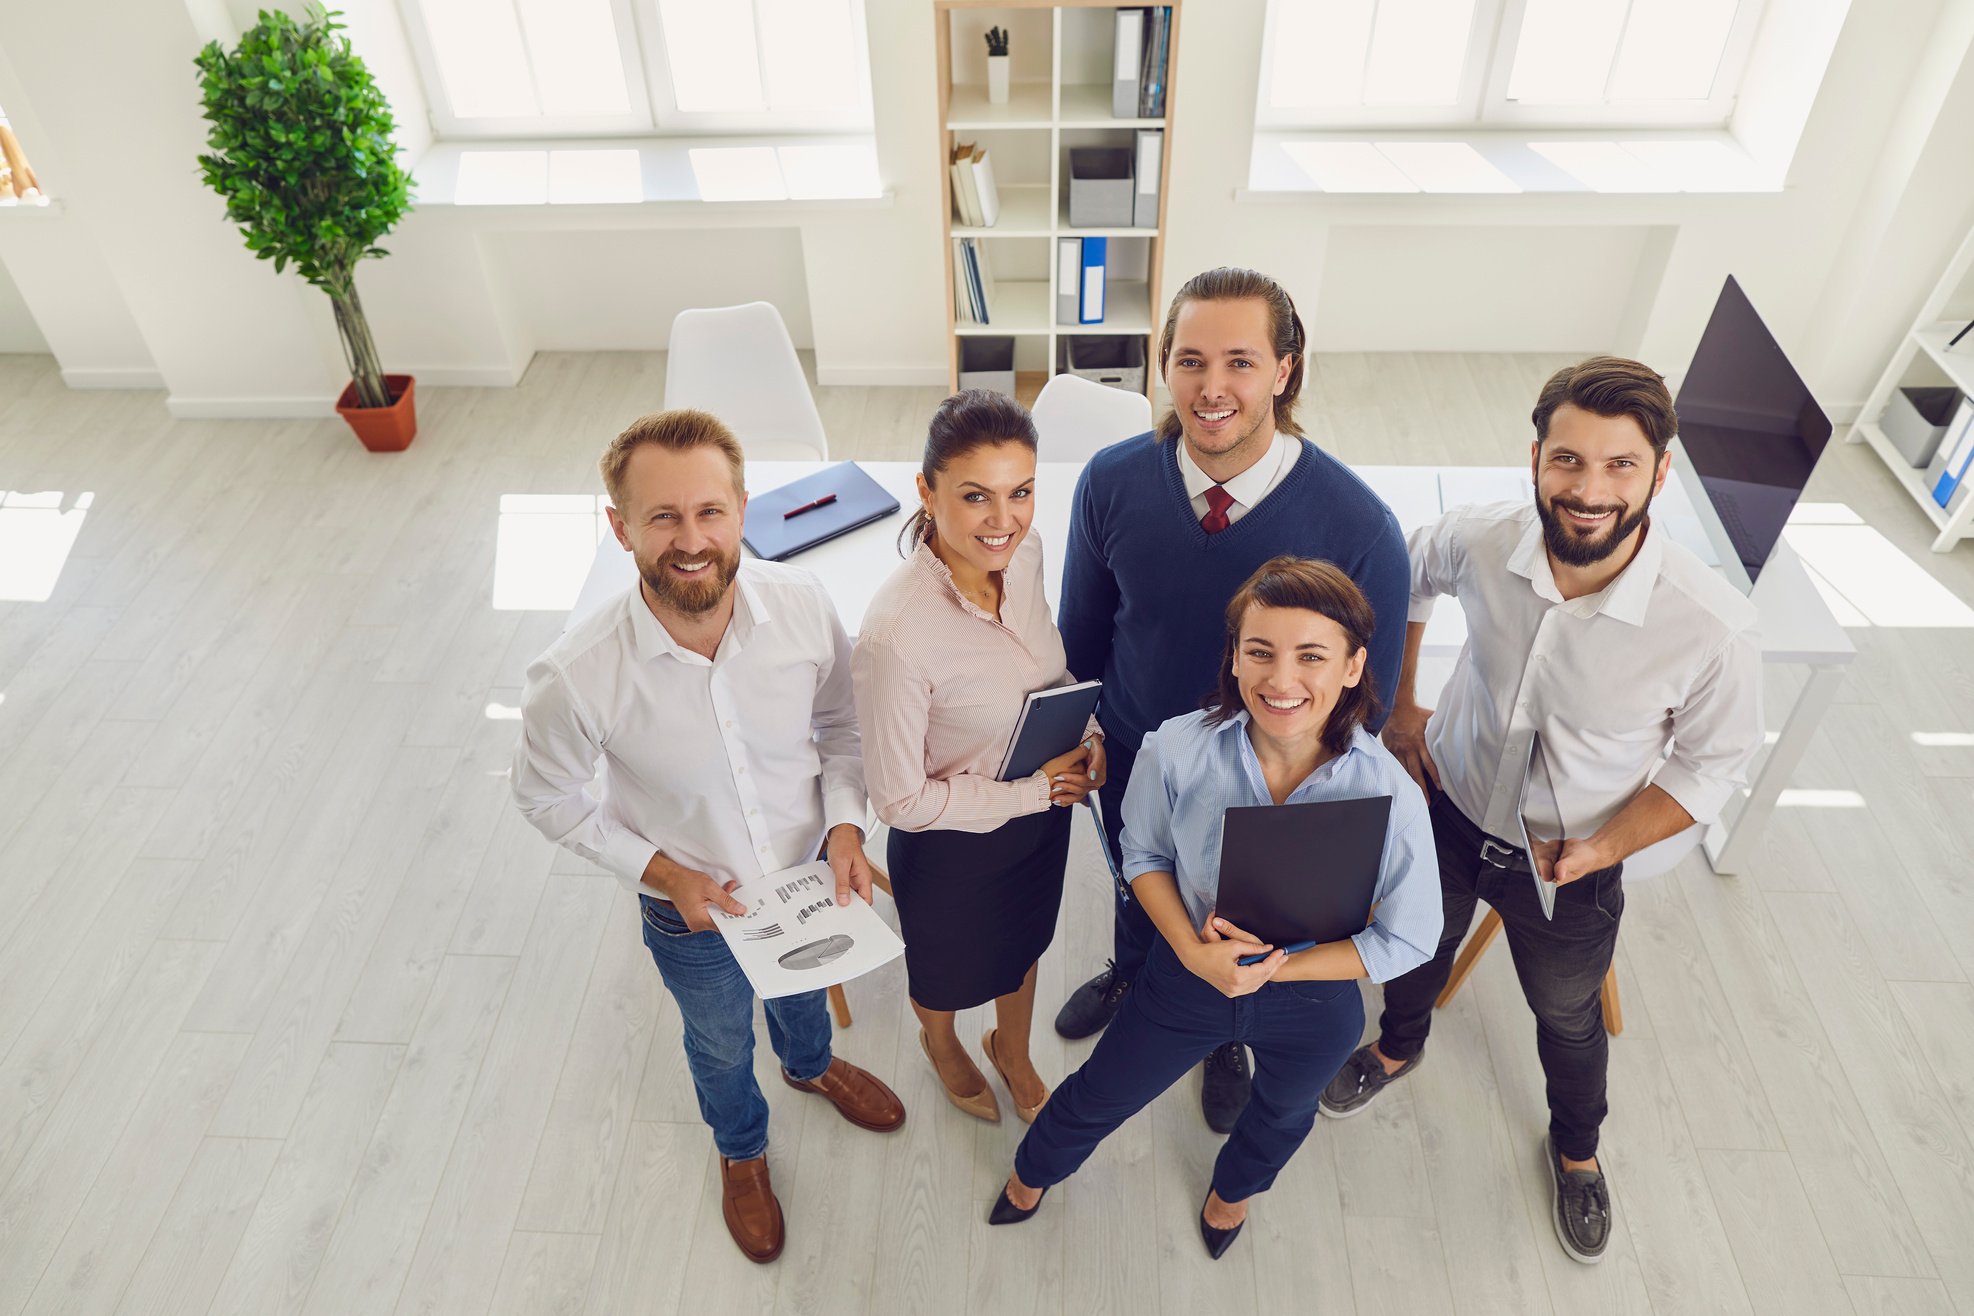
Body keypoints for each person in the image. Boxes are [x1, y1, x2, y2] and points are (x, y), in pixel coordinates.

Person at [1319, 357, 1763, 1264]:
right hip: (1442, 806)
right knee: (1415, 949)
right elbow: (1408, 568)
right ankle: (1399, 1047)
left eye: (1620, 466)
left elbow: (1712, 764)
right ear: (1535, 460)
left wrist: (1607, 846)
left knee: (1566, 1018)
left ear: (1660, 474)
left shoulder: (1709, 626)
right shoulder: (1486, 539)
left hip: (1570, 861)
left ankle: (1576, 1149)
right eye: (1569, 461)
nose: (1589, 489)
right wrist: (1401, 710)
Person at [510, 409, 906, 1265]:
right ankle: (741, 1148)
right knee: (719, 1039)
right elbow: (546, 797)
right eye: (662, 518)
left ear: (742, 509)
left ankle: (810, 1066)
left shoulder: (802, 608)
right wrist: (659, 872)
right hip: (691, 916)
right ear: (619, 527)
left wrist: (845, 821)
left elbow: (842, 724)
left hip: (808, 875)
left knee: (802, 995)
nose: (691, 540)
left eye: (709, 512)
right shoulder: (573, 679)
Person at [991, 556, 1441, 1256]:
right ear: (1233, 659)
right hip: (1186, 972)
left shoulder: (1392, 796)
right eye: (1259, 652)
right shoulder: (1175, 748)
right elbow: (1142, 855)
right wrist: (1196, 954)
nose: (1281, 680)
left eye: (1311, 657)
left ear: (1353, 666)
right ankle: (1033, 1172)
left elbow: (1410, 936)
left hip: (1314, 995)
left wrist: (1274, 972)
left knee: (1287, 1110)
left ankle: (1233, 1193)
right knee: (1102, 1090)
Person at [1052, 266, 1412, 1133]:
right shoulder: (1110, 483)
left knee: (1239, 925)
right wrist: (1090, 733)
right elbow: (1081, 638)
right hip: (1136, 759)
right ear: (1162, 367)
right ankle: (1134, 974)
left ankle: (1224, 1039)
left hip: (1268, 791)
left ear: (1285, 371)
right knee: (1139, 887)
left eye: (1242, 362)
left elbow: (1370, 699)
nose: (1212, 389)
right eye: (1190, 360)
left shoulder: (1358, 528)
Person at [853, 390, 1102, 1125]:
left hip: (1041, 809)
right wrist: (1031, 793)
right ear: (926, 493)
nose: (1005, 520)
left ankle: (1012, 1049)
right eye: (976, 497)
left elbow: (1045, 672)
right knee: (945, 968)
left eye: (1021, 492)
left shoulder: (1026, 554)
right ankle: (941, 1042)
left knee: (1024, 943)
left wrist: (1088, 740)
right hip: (951, 840)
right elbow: (900, 801)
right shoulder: (897, 637)